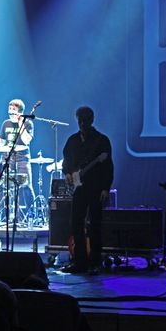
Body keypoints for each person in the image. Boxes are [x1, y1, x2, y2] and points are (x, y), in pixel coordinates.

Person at [61, 106, 113, 275]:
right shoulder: (72, 141)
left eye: (86, 120)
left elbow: (108, 167)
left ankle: (95, 262)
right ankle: (80, 262)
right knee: (76, 224)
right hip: (78, 189)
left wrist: (106, 188)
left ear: (92, 120)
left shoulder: (101, 140)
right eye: (80, 121)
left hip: (96, 187)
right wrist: (68, 174)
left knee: (95, 225)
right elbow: (66, 162)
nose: (83, 124)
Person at [0, 99, 35, 214]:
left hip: (22, 159)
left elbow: (26, 140)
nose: (10, 112)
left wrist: (20, 123)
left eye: (13, 110)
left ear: (20, 111)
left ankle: (31, 214)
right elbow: (1, 142)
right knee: (1, 185)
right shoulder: (6, 123)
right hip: (7, 158)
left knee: (26, 186)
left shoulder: (27, 123)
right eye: (9, 109)